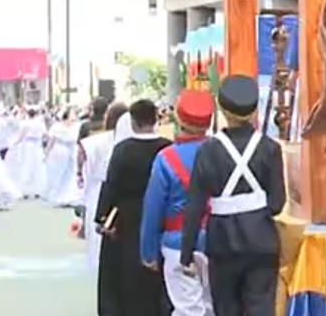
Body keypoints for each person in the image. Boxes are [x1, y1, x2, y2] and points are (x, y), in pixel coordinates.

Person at [181, 75, 286, 316]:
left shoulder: (207, 150)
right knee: (262, 307)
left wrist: (187, 252)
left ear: (222, 109)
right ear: (254, 111)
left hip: (222, 241)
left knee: (226, 308)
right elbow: (277, 204)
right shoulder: (271, 148)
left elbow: (195, 205)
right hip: (262, 239)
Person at [142, 90, 215, 316]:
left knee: (187, 309)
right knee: (213, 307)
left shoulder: (165, 158)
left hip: (178, 242)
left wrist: (148, 251)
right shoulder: (221, 152)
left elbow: (153, 209)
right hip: (219, 241)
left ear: (179, 119)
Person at [95, 99, 172, 316]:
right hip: (162, 217)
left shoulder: (122, 150)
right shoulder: (167, 147)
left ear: (132, 121)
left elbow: (111, 187)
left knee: (125, 274)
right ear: (156, 119)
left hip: (126, 218)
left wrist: (102, 217)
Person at [81, 101, 126, 315]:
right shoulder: (130, 143)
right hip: (121, 197)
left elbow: (83, 173)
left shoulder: (92, 143)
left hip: (96, 193)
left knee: (99, 251)